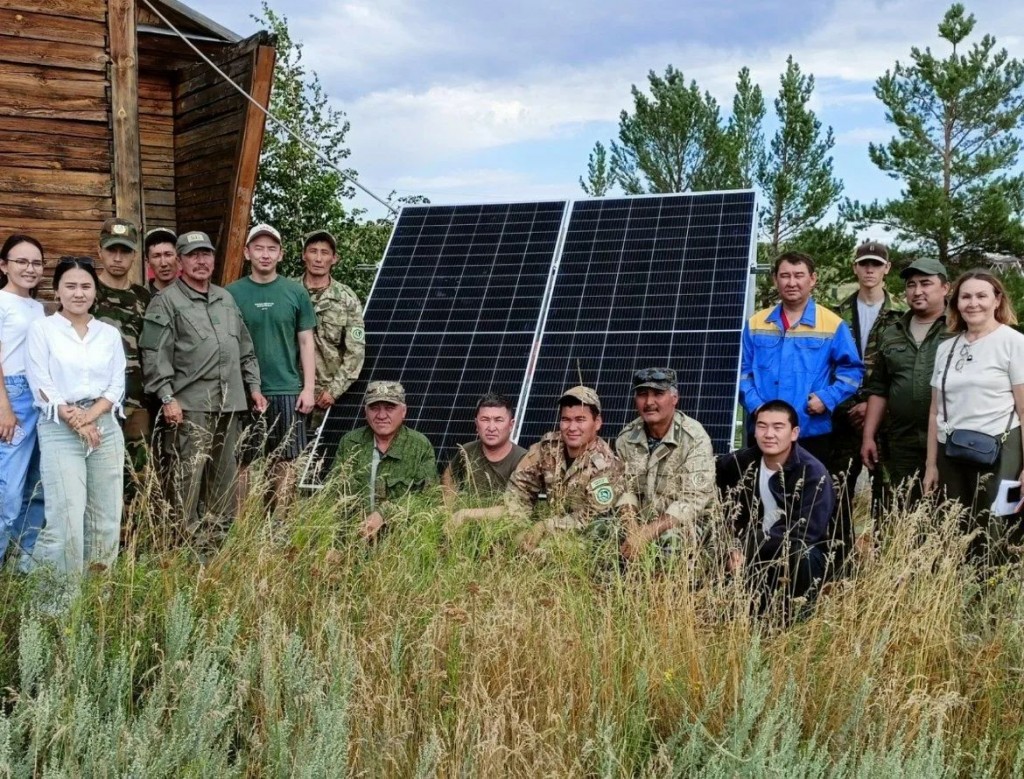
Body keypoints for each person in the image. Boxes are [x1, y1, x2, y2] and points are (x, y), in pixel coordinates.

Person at [140, 231, 267, 555]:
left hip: (232, 405)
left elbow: (246, 349)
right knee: (187, 481)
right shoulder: (166, 301)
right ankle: (181, 556)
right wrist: (167, 398)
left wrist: (253, 388)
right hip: (191, 407)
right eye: (193, 255)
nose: (201, 261)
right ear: (180, 261)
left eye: (206, 254)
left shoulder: (226, 299)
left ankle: (215, 556)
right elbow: (154, 355)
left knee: (223, 483)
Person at [24, 257, 125, 588]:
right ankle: (58, 603)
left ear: (95, 291)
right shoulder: (43, 330)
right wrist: (76, 420)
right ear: (57, 290)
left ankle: (97, 596)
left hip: (104, 426)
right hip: (59, 427)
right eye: (70, 285)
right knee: (66, 517)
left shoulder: (108, 334)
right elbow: (40, 382)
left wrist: (91, 417)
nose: (78, 293)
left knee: (106, 518)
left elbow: (116, 385)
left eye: (85, 286)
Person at [924, 269, 1024, 563]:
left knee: (995, 529)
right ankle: (954, 597)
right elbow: (934, 411)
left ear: (997, 300)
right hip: (951, 451)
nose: (973, 303)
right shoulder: (946, 348)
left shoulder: (1013, 343)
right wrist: (931, 464)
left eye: (982, 295)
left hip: (999, 450)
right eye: (966, 296)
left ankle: (991, 600)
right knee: (955, 528)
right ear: (956, 303)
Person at [451, 387, 626, 551]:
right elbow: (518, 492)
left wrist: (544, 526)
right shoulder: (547, 447)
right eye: (566, 419)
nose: (572, 428)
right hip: (541, 530)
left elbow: (590, 518)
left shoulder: (607, 465)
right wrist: (519, 525)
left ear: (597, 423)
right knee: (503, 538)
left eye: (580, 420)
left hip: (581, 537)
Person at [739, 251, 864, 467]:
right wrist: (756, 405)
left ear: (812, 279)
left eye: (799, 275)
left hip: (810, 430)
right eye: (785, 275)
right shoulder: (755, 324)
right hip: (763, 430)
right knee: (759, 495)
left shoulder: (832, 324)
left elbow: (852, 372)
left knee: (806, 493)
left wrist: (827, 399)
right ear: (775, 279)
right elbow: (742, 371)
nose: (792, 282)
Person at [227, 223, 317, 508]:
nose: (265, 254)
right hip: (243, 391)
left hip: (286, 388)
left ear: (280, 255)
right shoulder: (230, 294)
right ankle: (241, 527)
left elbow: (306, 342)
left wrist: (309, 388)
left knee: (285, 459)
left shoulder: (295, 293)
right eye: (258, 248)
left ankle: (279, 525)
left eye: (271, 249)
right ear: (246, 252)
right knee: (242, 460)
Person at [716, 399, 834, 614]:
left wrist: (748, 545)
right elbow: (718, 504)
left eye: (778, 427)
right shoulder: (737, 463)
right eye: (762, 426)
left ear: (794, 433)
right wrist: (730, 544)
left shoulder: (812, 473)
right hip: (744, 552)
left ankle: (798, 614)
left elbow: (806, 531)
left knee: (802, 554)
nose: (769, 434)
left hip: (791, 553)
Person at [861, 258, 952, 521]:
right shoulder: (892, 332)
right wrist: (868, 436)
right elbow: (879, 388)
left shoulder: (960, 328)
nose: (917, 291)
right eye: (911, 285)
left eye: (926, 283)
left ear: (945, 288)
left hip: (949, 441)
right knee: (900, 511)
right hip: (902, 442)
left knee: (946, 512)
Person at [831, 241, 903, 562]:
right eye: (864, 264)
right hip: (843, 417)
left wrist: (874, 407)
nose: (870, 270)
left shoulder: (903, 315)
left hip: (885, 421)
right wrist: (850, 407)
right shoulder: (835, 315)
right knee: (837, 492)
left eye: (876, 264)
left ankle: (885, 564)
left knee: (886, 495)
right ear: (855, 268)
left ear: (887, 268)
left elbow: (904, 369)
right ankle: (838, 560)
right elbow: (827, 366)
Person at [614, 368, 715, 560]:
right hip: (641, 521)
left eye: (658, 394)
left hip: (687, 523)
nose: (649, 402)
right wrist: (632, 529)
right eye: (643, 395)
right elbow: (624, 489)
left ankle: (665, 589)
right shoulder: (627, 438)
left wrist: (647, 532)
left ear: (674, 398)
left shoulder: (695, 438)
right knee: (603, 529)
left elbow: (692, 502)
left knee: (670, 540)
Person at [334, 381, 437, 542]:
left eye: (389, 408)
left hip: (400, 543)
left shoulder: (419, 446)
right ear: (365, 412)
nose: (381, 416)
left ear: (403, 412)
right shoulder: (350, 443)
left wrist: (384, 513)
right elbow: (333, 495)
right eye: (375, 408)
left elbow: (428, 499)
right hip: (352, 542)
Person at [0, 234, 46, 568]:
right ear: (4, 265)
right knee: (8, 489)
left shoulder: (37, 306)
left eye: (36, 263)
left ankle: (23, 562)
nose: (30, 269)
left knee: (37, 485)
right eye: (21, 261)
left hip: (39, 397)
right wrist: (3, 407)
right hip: (11, 395)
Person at [94, 217, 152, 480]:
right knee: (97, 470)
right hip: (94, 399)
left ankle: (133, 524)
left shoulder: (144, 298)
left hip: (136, 400)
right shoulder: (86, 291)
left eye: (125, 251)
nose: (118, 258)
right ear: (100, 251)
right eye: (111, 250)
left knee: (136, 475)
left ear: (134, 255)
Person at [294, 229, 365, 434]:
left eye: (325, 253)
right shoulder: (287, 292)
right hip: (288, 390)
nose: (318, 258)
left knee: (319, 458)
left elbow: (355, 351)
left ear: (334, 258)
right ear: (303, 255)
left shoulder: (346, 298)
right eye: (313, 251)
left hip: (326, 397)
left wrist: (334, 391)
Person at [441, 392, 527, 502]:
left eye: (498, 420)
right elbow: (449, 474)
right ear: (476, 424)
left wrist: (466, 514)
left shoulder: (523, 459)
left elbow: (516, 507)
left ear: (511, 425)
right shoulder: (467, 451)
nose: (491, 428)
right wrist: (450, 502)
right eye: (485, 419)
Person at [144, 227, 179, 294]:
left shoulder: (192, 293)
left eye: (168, 255)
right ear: (147, 262)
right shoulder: (141, 298)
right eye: (156, 256)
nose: (163, 263)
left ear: (178, 258)